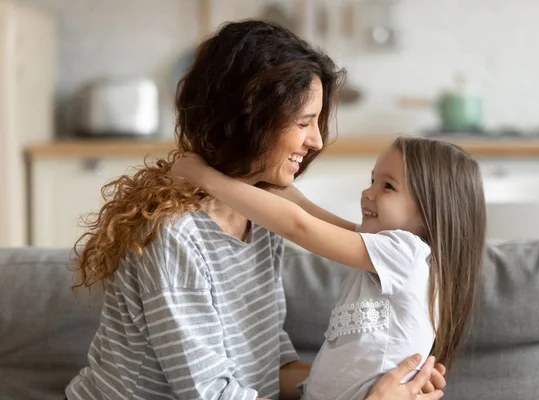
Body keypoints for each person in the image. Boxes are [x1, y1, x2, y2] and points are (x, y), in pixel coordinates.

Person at [65, 19, 446, 400]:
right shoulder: (176, 235)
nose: (316, 140)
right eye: (304, 122)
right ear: (251, 119)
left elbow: (267, 363)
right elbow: (214, 395)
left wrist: (379, 386)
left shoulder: (261, 218)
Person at [169, 135, 486, 400]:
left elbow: (300, 227)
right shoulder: (386, 253)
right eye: (372, 180)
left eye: (387, 186)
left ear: (430, 212)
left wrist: (205, 177)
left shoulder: (406, 253)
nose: (368, 192)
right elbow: (309, 213)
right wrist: (272, 184)